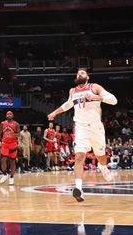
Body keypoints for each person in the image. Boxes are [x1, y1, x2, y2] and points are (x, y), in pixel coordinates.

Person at [47, 68, 118, 202]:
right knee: (79, 156)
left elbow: (114, 100)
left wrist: (98, 97)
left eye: (82, 73)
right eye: (78, 73)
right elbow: (68, 104)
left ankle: (102, 167)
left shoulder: (94, 87)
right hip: (80, 127)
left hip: (96, 127)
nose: (80, 74)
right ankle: (78, 188)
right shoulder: (73, 91)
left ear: (87, 77)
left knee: (101, 156)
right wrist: (55, 112)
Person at [0, 111, 19, 186]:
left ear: (12, 116)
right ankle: (5, 174)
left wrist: (14, 134)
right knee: (3, 159)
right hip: (5, 144)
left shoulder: (16, 124)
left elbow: (19, 134)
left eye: (10, 114)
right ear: (6, 116)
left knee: (12, 161)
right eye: (8, 114)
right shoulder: (2, 123)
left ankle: (12, 177)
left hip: (13, 144)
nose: (9, 115)